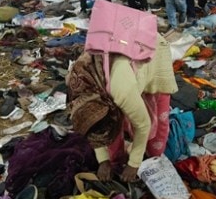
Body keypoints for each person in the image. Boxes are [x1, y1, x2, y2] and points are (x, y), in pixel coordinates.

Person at [67, 35, 178, 183]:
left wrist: (134, 164)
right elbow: (92, 127)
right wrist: (103, 160)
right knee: (113, 127)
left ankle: (154, 158)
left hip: (151, 47)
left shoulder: (121, 91)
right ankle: (116, 161)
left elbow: (143, 125)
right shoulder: (77, 89)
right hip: (122, 60)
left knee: (158, 117)